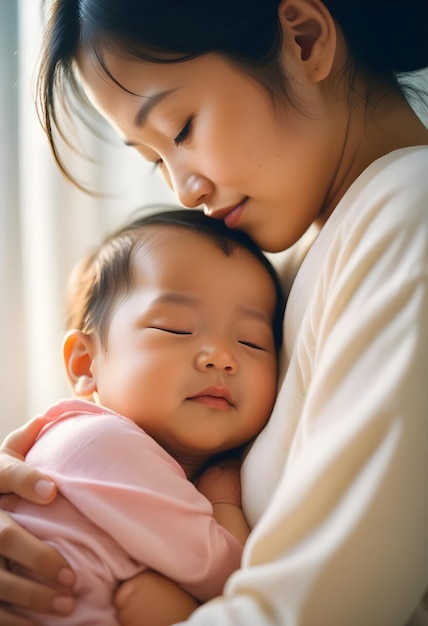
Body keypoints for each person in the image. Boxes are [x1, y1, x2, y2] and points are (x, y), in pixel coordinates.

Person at [0, 0, 428, 624]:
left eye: (180, 129)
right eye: (154, 159)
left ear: (304, 39)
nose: (184, 189)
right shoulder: (280, 266)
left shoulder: (408, 216)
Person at [0, 207, 284, 625]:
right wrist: (224, 499)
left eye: (252, 341)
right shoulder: (97, 441)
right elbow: (235, 575)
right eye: (176, 329)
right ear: (85, 364)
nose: (222, 357)